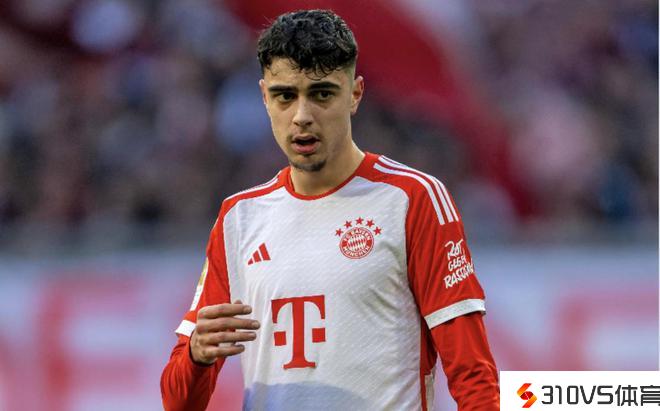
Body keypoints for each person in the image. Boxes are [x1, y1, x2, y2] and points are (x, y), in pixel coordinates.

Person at [161, 9, 499, 411]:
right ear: (265, 97)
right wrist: (197, 355)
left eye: (322, 94)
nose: (302, 116)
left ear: (354, 94)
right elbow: (178, 401)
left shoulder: (412, 199)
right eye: (285, 96)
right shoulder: (239, 217)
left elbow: (473, 375)